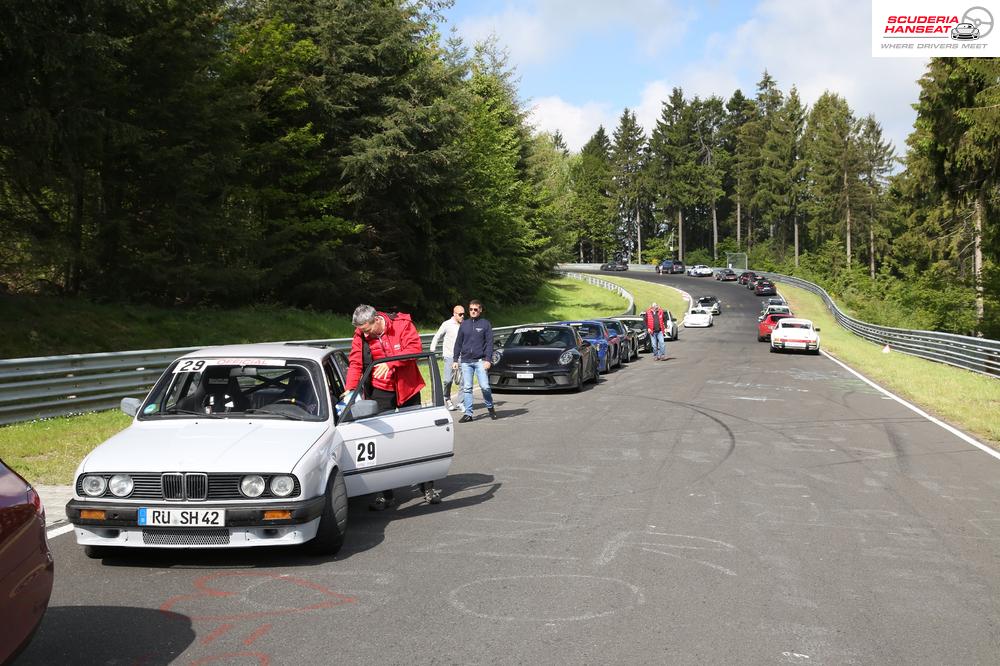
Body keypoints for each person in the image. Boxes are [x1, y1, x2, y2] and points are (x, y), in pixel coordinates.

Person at [344, 304, 440, 508]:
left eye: (368, 330)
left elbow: (414, 350)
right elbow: (355, 363)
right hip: (380, 391)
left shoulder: (403, 324)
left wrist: (389, 363)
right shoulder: (361, 334)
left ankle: (428, 487)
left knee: (417, 439)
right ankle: (386, 495)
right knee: (382, 442)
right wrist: (351, 389)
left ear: (376, 320)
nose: (366, 335)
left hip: (409, 388)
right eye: (363, 331)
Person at [452, 299, 496, 422]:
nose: (473, 311)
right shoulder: (464, 324)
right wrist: (455, 360)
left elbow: (489, 343)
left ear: (480, 310)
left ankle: (490, 406)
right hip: (466, 361)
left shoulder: (485, 324)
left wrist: (488, 359)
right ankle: (468, 414)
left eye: (475, 309)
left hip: (480, 361)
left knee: (485, 387)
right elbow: (458, 343)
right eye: (471, 309)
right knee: (467, 388)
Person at [430, 305, 465, 411]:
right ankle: (447, 398)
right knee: (447, 380)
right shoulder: (447, 324)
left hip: (462, 356)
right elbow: (437, 336)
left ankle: (461, 402)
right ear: (454, 314)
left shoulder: (466, 324)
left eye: (463, 314)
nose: (462, 316)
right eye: (460, 314)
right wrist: (432, 350)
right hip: (449, 356)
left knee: (464, 380)